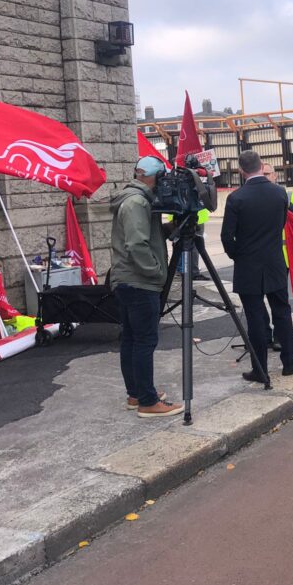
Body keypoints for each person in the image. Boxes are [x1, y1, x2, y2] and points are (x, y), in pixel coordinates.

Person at [221, 150, 293, 382]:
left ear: (240, 170)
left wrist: (238, 255)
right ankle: (290, 361)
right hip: (275, 261)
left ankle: (260, 369)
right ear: (261, 166)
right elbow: (281, 224)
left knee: (256, 318)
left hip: (248, 265)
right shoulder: (279, 194)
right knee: (282, 311)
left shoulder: (236, 198)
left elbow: (227, 237)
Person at [109, 156, 183, 417]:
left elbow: (145, 236)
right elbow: (137, 244)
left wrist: (169, 228)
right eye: (162, 177)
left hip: (128, 280)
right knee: (143, 341)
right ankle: (148, 402)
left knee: (131, 339)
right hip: (139, 281)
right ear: (154, 177)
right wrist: (156, 272)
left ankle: (136, 393)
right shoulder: (138, 202)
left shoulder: (135, 199)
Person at [261, 163, 293, 351]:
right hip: (259, 257)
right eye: (262, 174)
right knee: (256, 300)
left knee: (278, 301)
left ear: (275, 176)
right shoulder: (252, 194)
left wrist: (286, 205)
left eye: (268, 174)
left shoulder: (288, 196)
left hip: (282, 257)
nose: (265, 177)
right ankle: (264, 335)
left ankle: (279, 337)